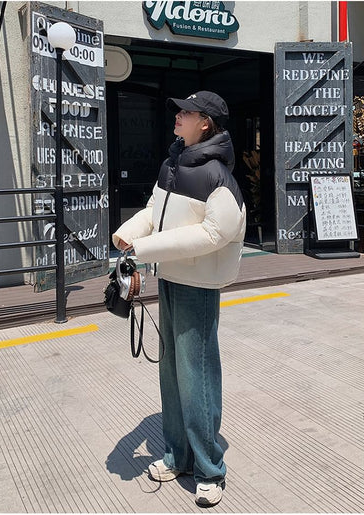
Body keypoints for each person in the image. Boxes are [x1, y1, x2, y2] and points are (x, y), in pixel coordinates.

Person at [112, 91, 246, 507]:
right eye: (179, 110)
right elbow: (154, 210)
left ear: (205, 123)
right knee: (171, 373)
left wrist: (145, 248)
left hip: (198, 285)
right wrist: (129, 233)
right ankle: (177, 455)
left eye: (187, 112)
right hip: (171, 277)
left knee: (196, 375)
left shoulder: (217, 175)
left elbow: (214, 234)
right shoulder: (173, 164)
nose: (178, 116)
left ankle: (209, 469)